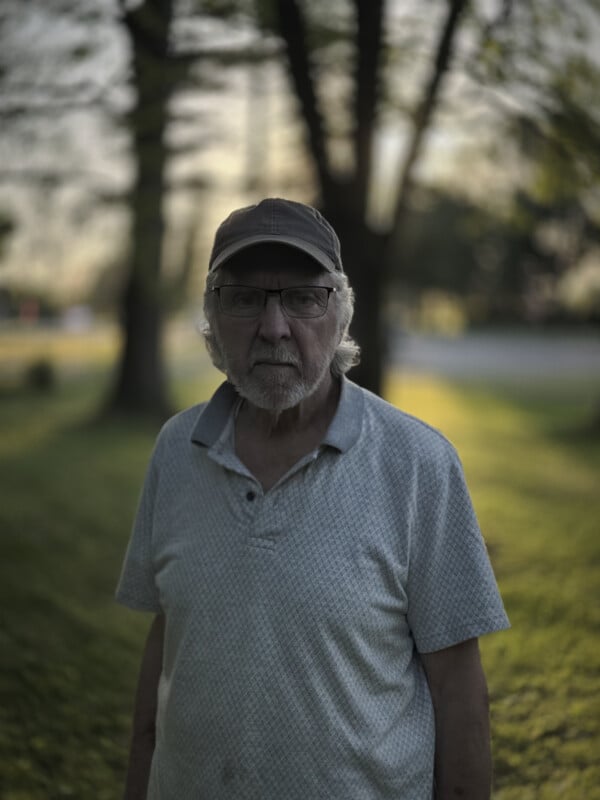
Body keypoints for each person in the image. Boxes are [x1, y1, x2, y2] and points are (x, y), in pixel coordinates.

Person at [116, 198, 510, 800]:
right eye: (245, 298)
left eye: (303, 297)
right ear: (212, 317)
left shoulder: (419, 464)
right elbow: (170, 639)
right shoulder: (177, 450)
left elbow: (460, 694)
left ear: (341, 314)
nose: (274, 327)